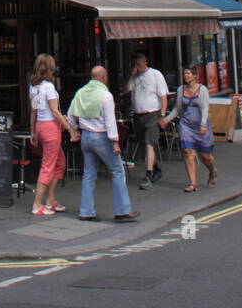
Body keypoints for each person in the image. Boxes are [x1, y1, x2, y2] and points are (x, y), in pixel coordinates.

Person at [68, 65, 140, 223]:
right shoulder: (105, 96)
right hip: (101, 137)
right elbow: (110, 121)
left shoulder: (80, 92)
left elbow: (70, 115)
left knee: (88, 174)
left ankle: (86, 211)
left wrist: (74, 131)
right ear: (103, 77)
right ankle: (122, 210)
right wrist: (115, 142)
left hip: (85, 137)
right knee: (117, 171)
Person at [160, 66, 217, 191]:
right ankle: (192, 183)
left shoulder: (202, 90)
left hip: (200, 125)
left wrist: (203, 125)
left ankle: (212, 171)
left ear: (195, 76)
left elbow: (205, 109)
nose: (186, 76)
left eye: (188, 73)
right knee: (188, 152)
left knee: (205, 156)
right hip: (186, 124)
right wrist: (167, 119)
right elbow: (177, 109)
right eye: (185, 74)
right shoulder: (181, 90)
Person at [29, 54, 73, 216]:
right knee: (48, 165)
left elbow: (33, 110)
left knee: (60, 162)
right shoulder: (49, 88)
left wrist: (33, 131)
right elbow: (55, 111)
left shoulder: (33, 87)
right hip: (50, 127)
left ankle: (51, 200)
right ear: (50, 68)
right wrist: (69, 128)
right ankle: (37, 204)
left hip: (40, 125)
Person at [123, 50, 168, 189]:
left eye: (139, 62)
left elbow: (163, 96)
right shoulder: (134, 77)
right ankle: (156, 168)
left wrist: (162, 114)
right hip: (138, 114)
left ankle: (148, 175)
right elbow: (126, 90)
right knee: (144, 146)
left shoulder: (155, 74)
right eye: (135, 63)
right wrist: (131, 76)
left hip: (152, 114)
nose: (137, 65)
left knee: (149, 144)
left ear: (145, 61)